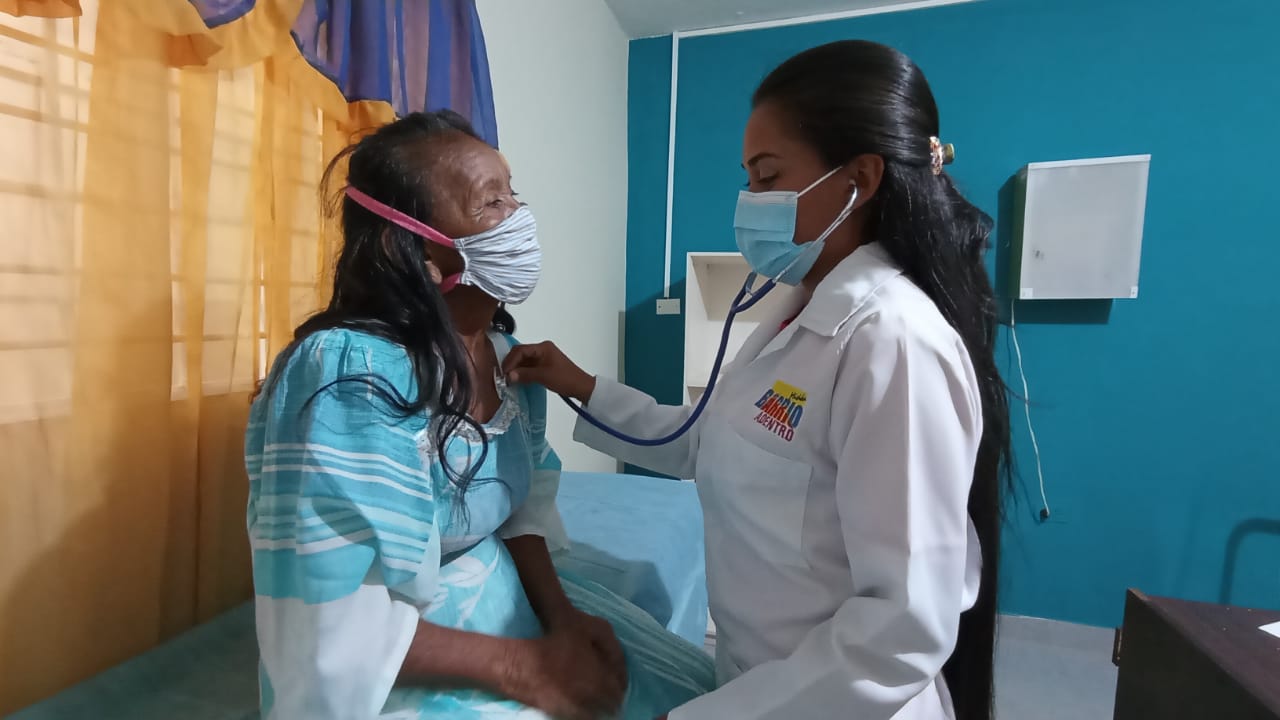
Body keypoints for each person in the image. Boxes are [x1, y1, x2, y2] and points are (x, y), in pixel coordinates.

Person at [504, 40, 1012, 720]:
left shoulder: (893, 342)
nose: (749, 201)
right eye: (748, 178)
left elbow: (903, 628)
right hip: (762, 684)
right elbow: (704, 440)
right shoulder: (798, 310)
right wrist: (579, 383)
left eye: (768, 176)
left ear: (859, 179)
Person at [245, 110, 714, 720]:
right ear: (415, 247)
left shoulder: (502, 357)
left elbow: (524, 509)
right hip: (396, 653)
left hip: (498, 599)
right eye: (491, 202)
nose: (520, 218)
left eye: (514, 194)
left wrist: (562, 619)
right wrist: (526, 669)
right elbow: (330, 617)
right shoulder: (351, 377)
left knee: (694, 695)